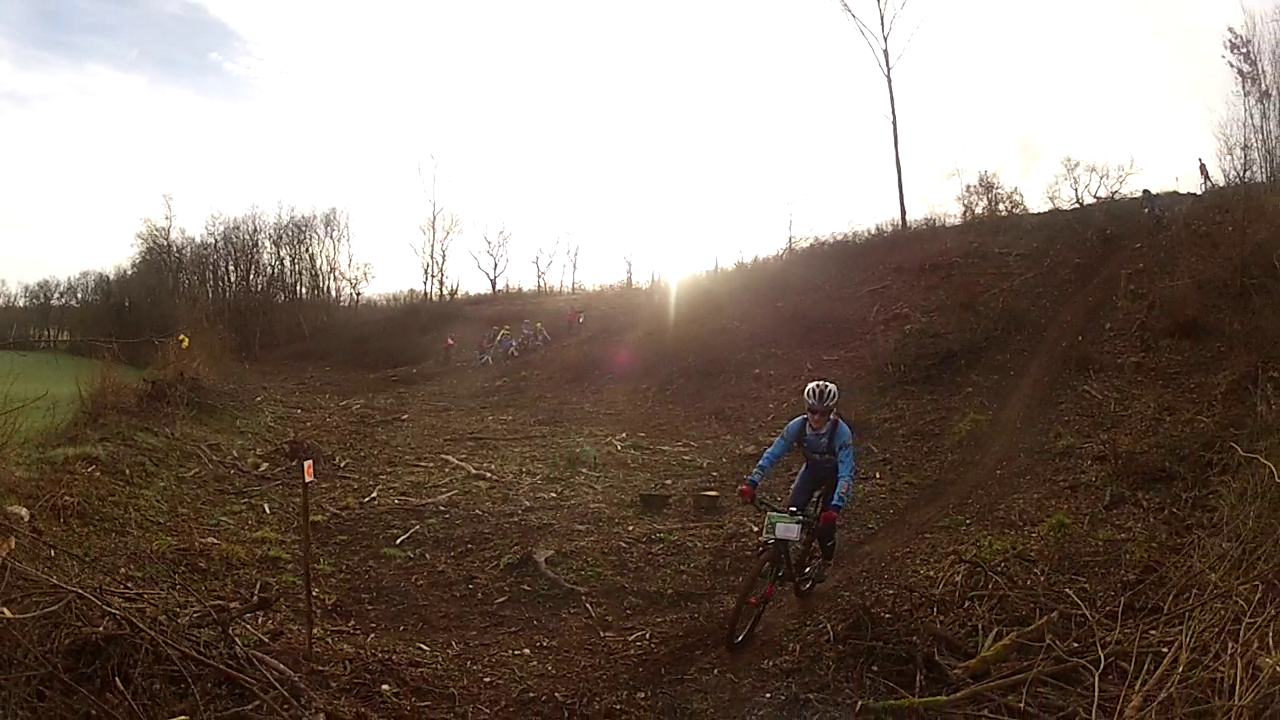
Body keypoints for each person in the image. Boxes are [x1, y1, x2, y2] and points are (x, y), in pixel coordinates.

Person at [737, 380, 856, 583]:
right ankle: (778, 559)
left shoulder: (841, 433)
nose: (817, 417)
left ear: (831, 411)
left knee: (825, 526)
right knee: (791, 512)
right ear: (806, 408)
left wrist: (835, 507)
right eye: (812, 411)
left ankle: (826, 561)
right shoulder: (797, 426)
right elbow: (772, 454)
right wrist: (752, 482)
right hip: (811, 472)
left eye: (823, 412)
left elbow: (846, 472)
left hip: (834, 477)